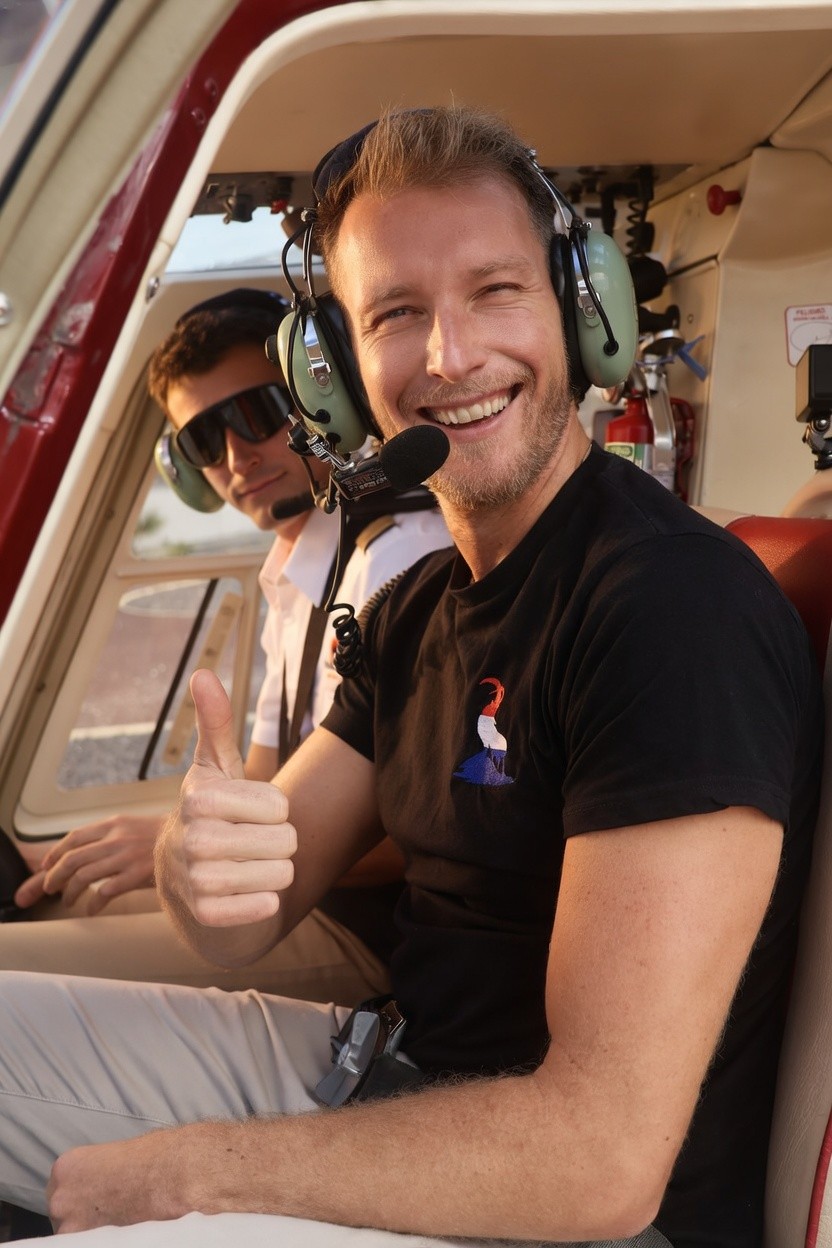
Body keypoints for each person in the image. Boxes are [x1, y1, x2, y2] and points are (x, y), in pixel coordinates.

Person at [0, 106, 822, 1248]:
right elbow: (248, 923)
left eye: (495, 291)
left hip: (558, 1211)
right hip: (391, 1078)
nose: (450, 356)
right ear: (334, 371)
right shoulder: (411, 614)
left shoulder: (669, 610)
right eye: (395, 313)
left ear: (580, 314)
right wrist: (199, 868)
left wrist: (189, 1173)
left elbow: (600, 1161)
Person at [1, 289, 450, 1002]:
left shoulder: (400, 561)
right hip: (290, 898)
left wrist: (168, 850)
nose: (238, 456)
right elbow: (265, 786)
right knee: (34, 900)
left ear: (321, 397)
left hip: (373, 936)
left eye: (257, 414)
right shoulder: (297, 568)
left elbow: (412, 832)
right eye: (204, 440)